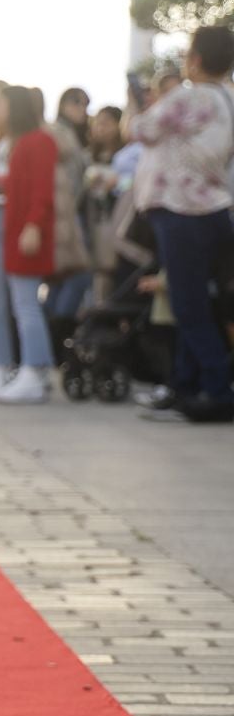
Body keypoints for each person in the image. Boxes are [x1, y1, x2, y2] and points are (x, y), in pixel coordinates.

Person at [126, 25, 234, 423]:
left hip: (182, 212)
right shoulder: (228, 98)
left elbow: (138, 129)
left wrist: (139, 103)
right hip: (214, 210)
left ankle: (217, 392)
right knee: (198, 303)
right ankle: (186, 388)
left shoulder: (193, 97)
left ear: (196, 59)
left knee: (188, 307)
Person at [0, 85, 57, 405]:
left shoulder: (38, 141)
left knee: (25, 302)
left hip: (20, 228)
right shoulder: (2, 143)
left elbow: (42, 189)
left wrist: (33, 224)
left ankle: (34, 371)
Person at [44, 87, 94, 322]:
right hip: (64, 215)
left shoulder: (74, 134)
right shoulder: (57, 132)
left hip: (70, 214)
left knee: (62, 279)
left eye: (85, 104)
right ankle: (58, 333)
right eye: (77, 103)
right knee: (76, 276)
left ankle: (53, 338)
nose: (82, 110)